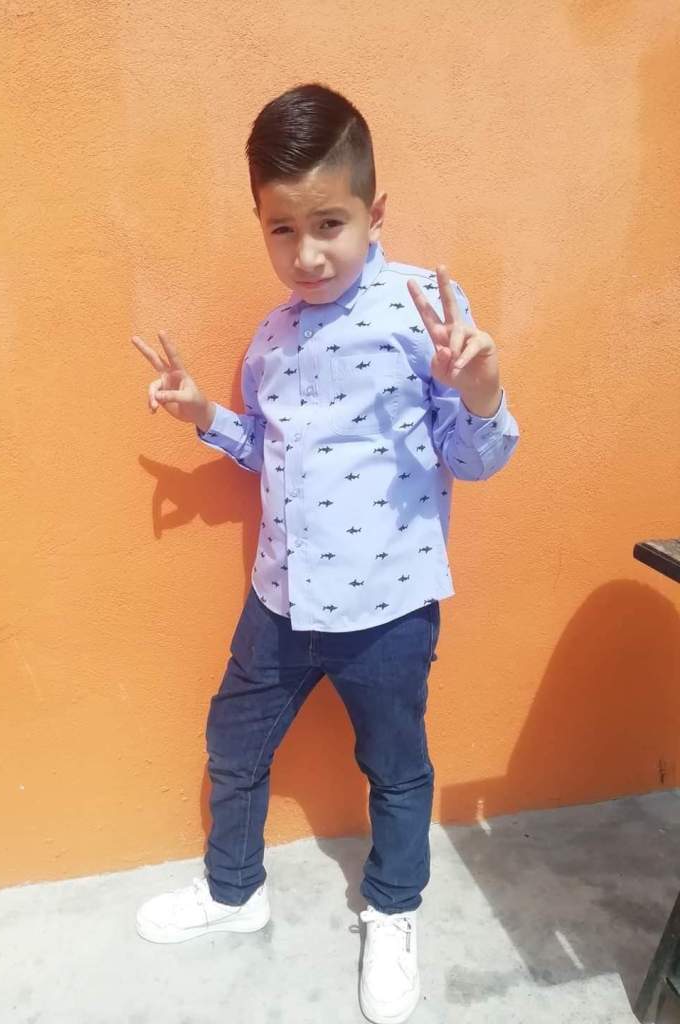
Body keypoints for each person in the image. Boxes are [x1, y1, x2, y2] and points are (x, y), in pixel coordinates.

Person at [131, 82, 519, 1024]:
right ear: (261, 225)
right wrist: (205, 415)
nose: (306, 255)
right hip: (281, 600)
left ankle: (393, 910)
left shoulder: (423, 311)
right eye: (282, 230)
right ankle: (234, 891)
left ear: (374, 213)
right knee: (233, 744)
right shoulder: (272, 336)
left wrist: (481, 392)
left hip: (387, 607)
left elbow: (473, 459)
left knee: (395, 768)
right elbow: (270, 451)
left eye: (330, 225)